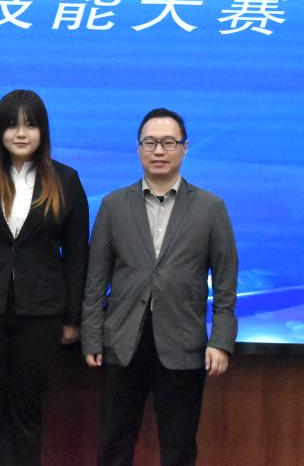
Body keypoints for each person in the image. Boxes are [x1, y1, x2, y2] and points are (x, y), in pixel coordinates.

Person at [81, 108, 238, 466]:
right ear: (139, 148)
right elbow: (95, 279)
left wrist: (221, 341)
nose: (159, 150)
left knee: (179, 446)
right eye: (150, 142)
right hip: (123, 341)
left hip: (183, 342)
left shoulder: (211, 208)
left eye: (168, 142)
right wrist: (91, 336)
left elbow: (226, 282)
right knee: (114, 442)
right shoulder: (113, 205)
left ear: (184, 148)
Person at [0, 89, 89, 465]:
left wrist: (73, 319)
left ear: (44, 131)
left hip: (41, 313)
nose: (21, 134)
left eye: (30, 125)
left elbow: (77, 256)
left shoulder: (66, 179)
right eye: (12, 125)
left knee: (27, 410)